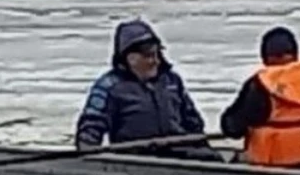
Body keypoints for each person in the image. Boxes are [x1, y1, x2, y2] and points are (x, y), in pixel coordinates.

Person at [74, 19, 220, 161]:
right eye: (149, 56)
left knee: (213, 157)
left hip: (178, 153)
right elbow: (91, 125)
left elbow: (193, 122)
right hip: (135, 157)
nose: (156, 61)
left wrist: (203, 147)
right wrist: (87, 152)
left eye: (157, 54)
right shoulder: (108, 87)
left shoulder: (172, 81)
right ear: (130, 58)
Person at [220, 26, 300, 169]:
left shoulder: (260, 85)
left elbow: (232, 128)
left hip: (275, 168)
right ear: (296, 55)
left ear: (265, 58)